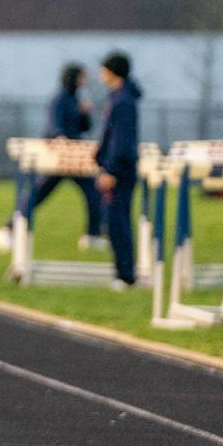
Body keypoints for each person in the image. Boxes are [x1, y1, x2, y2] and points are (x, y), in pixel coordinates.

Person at [0, 62, 104, 253]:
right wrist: (61, 138)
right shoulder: (59, 98)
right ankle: (8, 229)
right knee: (38, 194)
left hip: (74, 158)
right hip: (56, 158)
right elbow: (55, 125)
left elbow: (84, 127)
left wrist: (85, 114)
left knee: (93, 194)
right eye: (82, 77)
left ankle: (92, 235)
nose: (84, 81)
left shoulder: (76, 99)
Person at [95, 52, 142, 290]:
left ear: (112, 71)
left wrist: (110, 169)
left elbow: (120, 141)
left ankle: (125, 274)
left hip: (120, 169)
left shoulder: (122, 101)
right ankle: (123, 272)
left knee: (118, 221)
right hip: (118, 166)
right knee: (113, 220)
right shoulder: (119, 98)